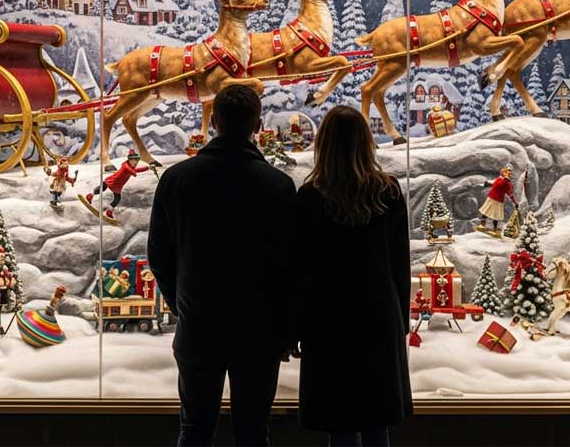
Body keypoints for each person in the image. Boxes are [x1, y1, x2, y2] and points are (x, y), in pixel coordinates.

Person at [149, 85, 298, 446]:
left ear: (213, 120)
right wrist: (286, 326)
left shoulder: (176, 179)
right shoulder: (278, 186)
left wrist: (180, 303)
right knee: (254, 433)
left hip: (199, 324)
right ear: (258, 125)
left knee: (194, 430)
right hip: (259, 330)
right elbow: (290, 266)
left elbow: (159, 256)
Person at [296, 105, 412, 447]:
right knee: (377, 423)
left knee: (339, 424)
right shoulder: (388, 192)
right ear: (366, 142)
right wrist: (401, 321)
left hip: (328, 319)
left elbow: (301, 270)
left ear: (324, 144)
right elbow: (400, 263)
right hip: (378, 315)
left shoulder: (310, 197)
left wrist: (298, 325)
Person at [86, 149, 149, 220]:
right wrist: (134, 173)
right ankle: (90, 195)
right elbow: (129, 170)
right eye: (134, 160)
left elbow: (136, 170)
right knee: (103, 188)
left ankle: (109, 211)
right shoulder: (125, 165)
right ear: (130, 160)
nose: (136, 162)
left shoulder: (132, 167)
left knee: (117, 198)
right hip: (113, 181)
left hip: (118, 185)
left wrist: (148, 168)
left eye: (136, 161)